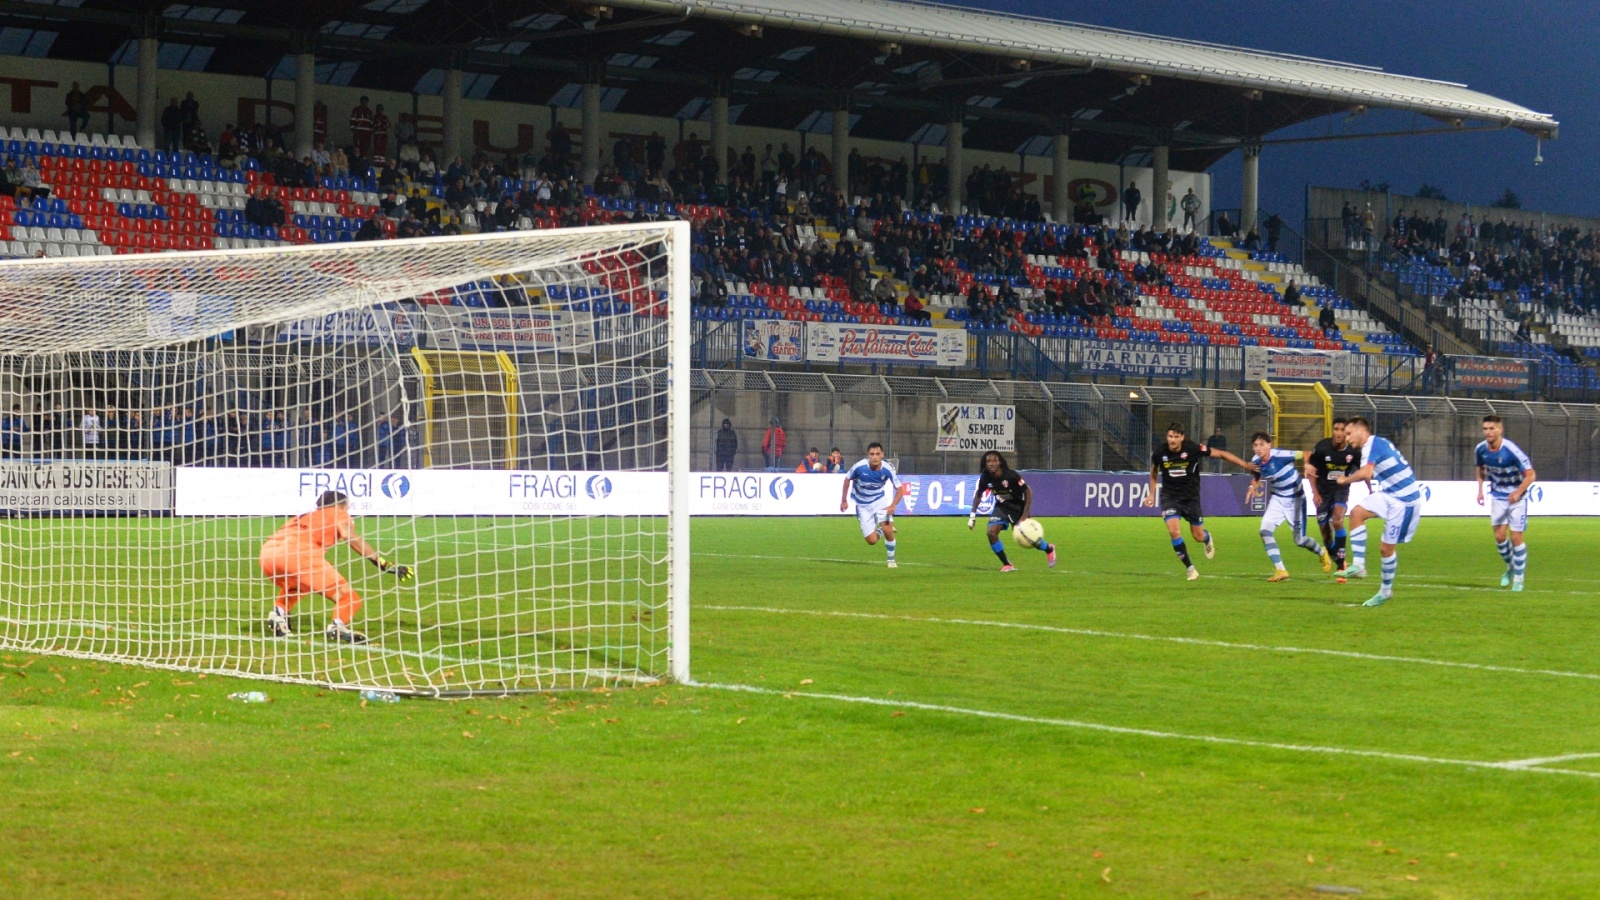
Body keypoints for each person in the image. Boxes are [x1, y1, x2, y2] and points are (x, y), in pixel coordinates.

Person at [260, 490, 414, 643]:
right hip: (297, 554)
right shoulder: (338, 513)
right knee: (349, 598)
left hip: (267, 555)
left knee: (300, 586)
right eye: (347, 507)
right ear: (340, 505)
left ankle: (278, 614)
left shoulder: (304, 517)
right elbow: (348, 535)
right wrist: (380, 562)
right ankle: (337, 626)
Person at [1143, 423, 1256, 579]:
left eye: (1176, 437)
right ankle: (1190, 568)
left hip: (1191, 499)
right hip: (1170, 497)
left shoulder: (1192, 449)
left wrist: (1244, 464)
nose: (1173, 440)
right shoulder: (1159, 452)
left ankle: (1207, 538)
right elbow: (1154, 469)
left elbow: (1221, 454)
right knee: (1173, 531)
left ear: (1182, 437)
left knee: (1198, 536)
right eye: (1170, 436)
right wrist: (1151, 494)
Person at [1335, 416, 1423, 607]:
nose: (1346, 438)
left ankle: (1385, 591)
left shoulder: (1372, 444)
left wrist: (1345, 480)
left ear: (1361, 430)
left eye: (1349, 433)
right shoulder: (1372, 445)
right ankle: (1359, 566)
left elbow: (1366, 473)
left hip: (1404, 501)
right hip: (1390, 494)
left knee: (1386, 549)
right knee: (1357, 513)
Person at [1245, 432, 1331, 582]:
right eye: (1255, 445)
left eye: (1261, 444)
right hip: (1277, 499)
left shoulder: (1279, 455)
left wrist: (1306, 464)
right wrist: (1252, 487)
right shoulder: (1255, 461)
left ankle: (1322, 552)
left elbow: (1306, 453)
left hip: (1295, 499)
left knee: (1300, 540)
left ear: (1269, 445)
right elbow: (1256, 477)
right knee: (1265, 531)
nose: (1258, 448)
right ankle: (1281, 570)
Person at [1474, 415, 1536, 591]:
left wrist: (1518, 492)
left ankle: (1519, 578)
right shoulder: (1480, 449)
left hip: (1518, 497)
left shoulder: (1511, 450)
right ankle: (1510, 567)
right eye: (1485, 428)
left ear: (1499, 429)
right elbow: (1479, 469)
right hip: (1498, 496)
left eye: (1491, 428)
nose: (1488, 432)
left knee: (1516, 537)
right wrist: (1480, 489)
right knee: (1500, 537)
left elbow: (1531, 474)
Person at [967, 450, 1054, 572]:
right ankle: (1007, 564)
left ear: (1000, 463)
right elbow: (979, 493)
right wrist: (972, 516)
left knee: (1030, 540)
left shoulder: (1011, 476)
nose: (991, 464)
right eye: (988, 461)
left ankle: (1049, 549)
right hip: (1001, 507)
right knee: (991, 533)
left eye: (994, 461)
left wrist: (1024, 515)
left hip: (1018, 508)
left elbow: (1028, 491)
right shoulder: (986, 476)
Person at [1306, 418, 1361, 573]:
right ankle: (1336, 557)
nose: (1339, 433)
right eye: (1336, 429)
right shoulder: (1322, 448)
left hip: (1341, 490)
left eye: (1342, 430)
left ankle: (1341, 564)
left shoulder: (1353, 450)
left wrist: (1369, 485)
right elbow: (1311, 471)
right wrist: (1315, 493)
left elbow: (1363, 469)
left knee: (1337, 520)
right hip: (1323, 492)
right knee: (1325, 533)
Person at [839, 442, 900, 568]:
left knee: (888, 529)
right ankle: (880, 531)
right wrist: (844, 500)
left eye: (877, 454)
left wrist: (893, 505)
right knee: (871, 541)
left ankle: (891, 560)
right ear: (868, 455)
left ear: (882, 455)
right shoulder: (859, 467)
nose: (875, 457)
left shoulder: (887, 469)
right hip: (863, 506)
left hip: (879, 501)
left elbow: (900, 489)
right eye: (872, 454)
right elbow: (847, 479)